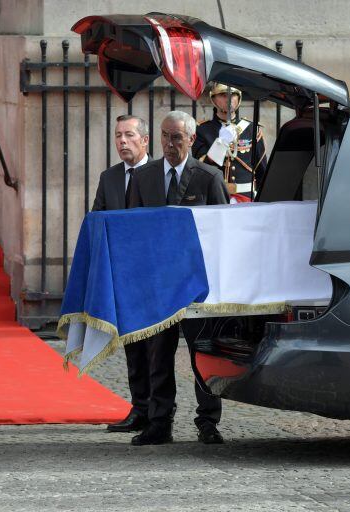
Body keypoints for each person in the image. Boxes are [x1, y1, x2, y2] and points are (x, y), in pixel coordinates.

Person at [128, 110, 229, 446]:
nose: (169, 144)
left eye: (177, 138)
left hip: (196, 285)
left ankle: (208, 421)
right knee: (158, 354)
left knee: (201, 353)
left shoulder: (208, 178)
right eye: (165, 136)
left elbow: (223, 234)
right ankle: (159, 421)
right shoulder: (144, 178)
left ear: (191, 140)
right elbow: (134, 232)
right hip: (159, 286)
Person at [92, 115, 152, 433]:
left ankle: (159, 410)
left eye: (129, 135)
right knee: (132, 345)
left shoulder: (158, 175)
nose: (122, 141)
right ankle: (139, 407)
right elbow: (97, 220)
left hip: (153, 277)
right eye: (118, 136)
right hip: (124, 275)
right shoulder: (110, 177)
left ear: (145, 140)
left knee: (156, 347)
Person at [192, 83, 267, 199]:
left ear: (239, 98)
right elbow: (201, 168)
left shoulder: (252, 129)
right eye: (223, 95)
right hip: (215, 197)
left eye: (233, 95)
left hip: (246, 198)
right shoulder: (202, 130)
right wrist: (221, 143)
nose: (229, 99)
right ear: (213, 99)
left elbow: (262, 171)